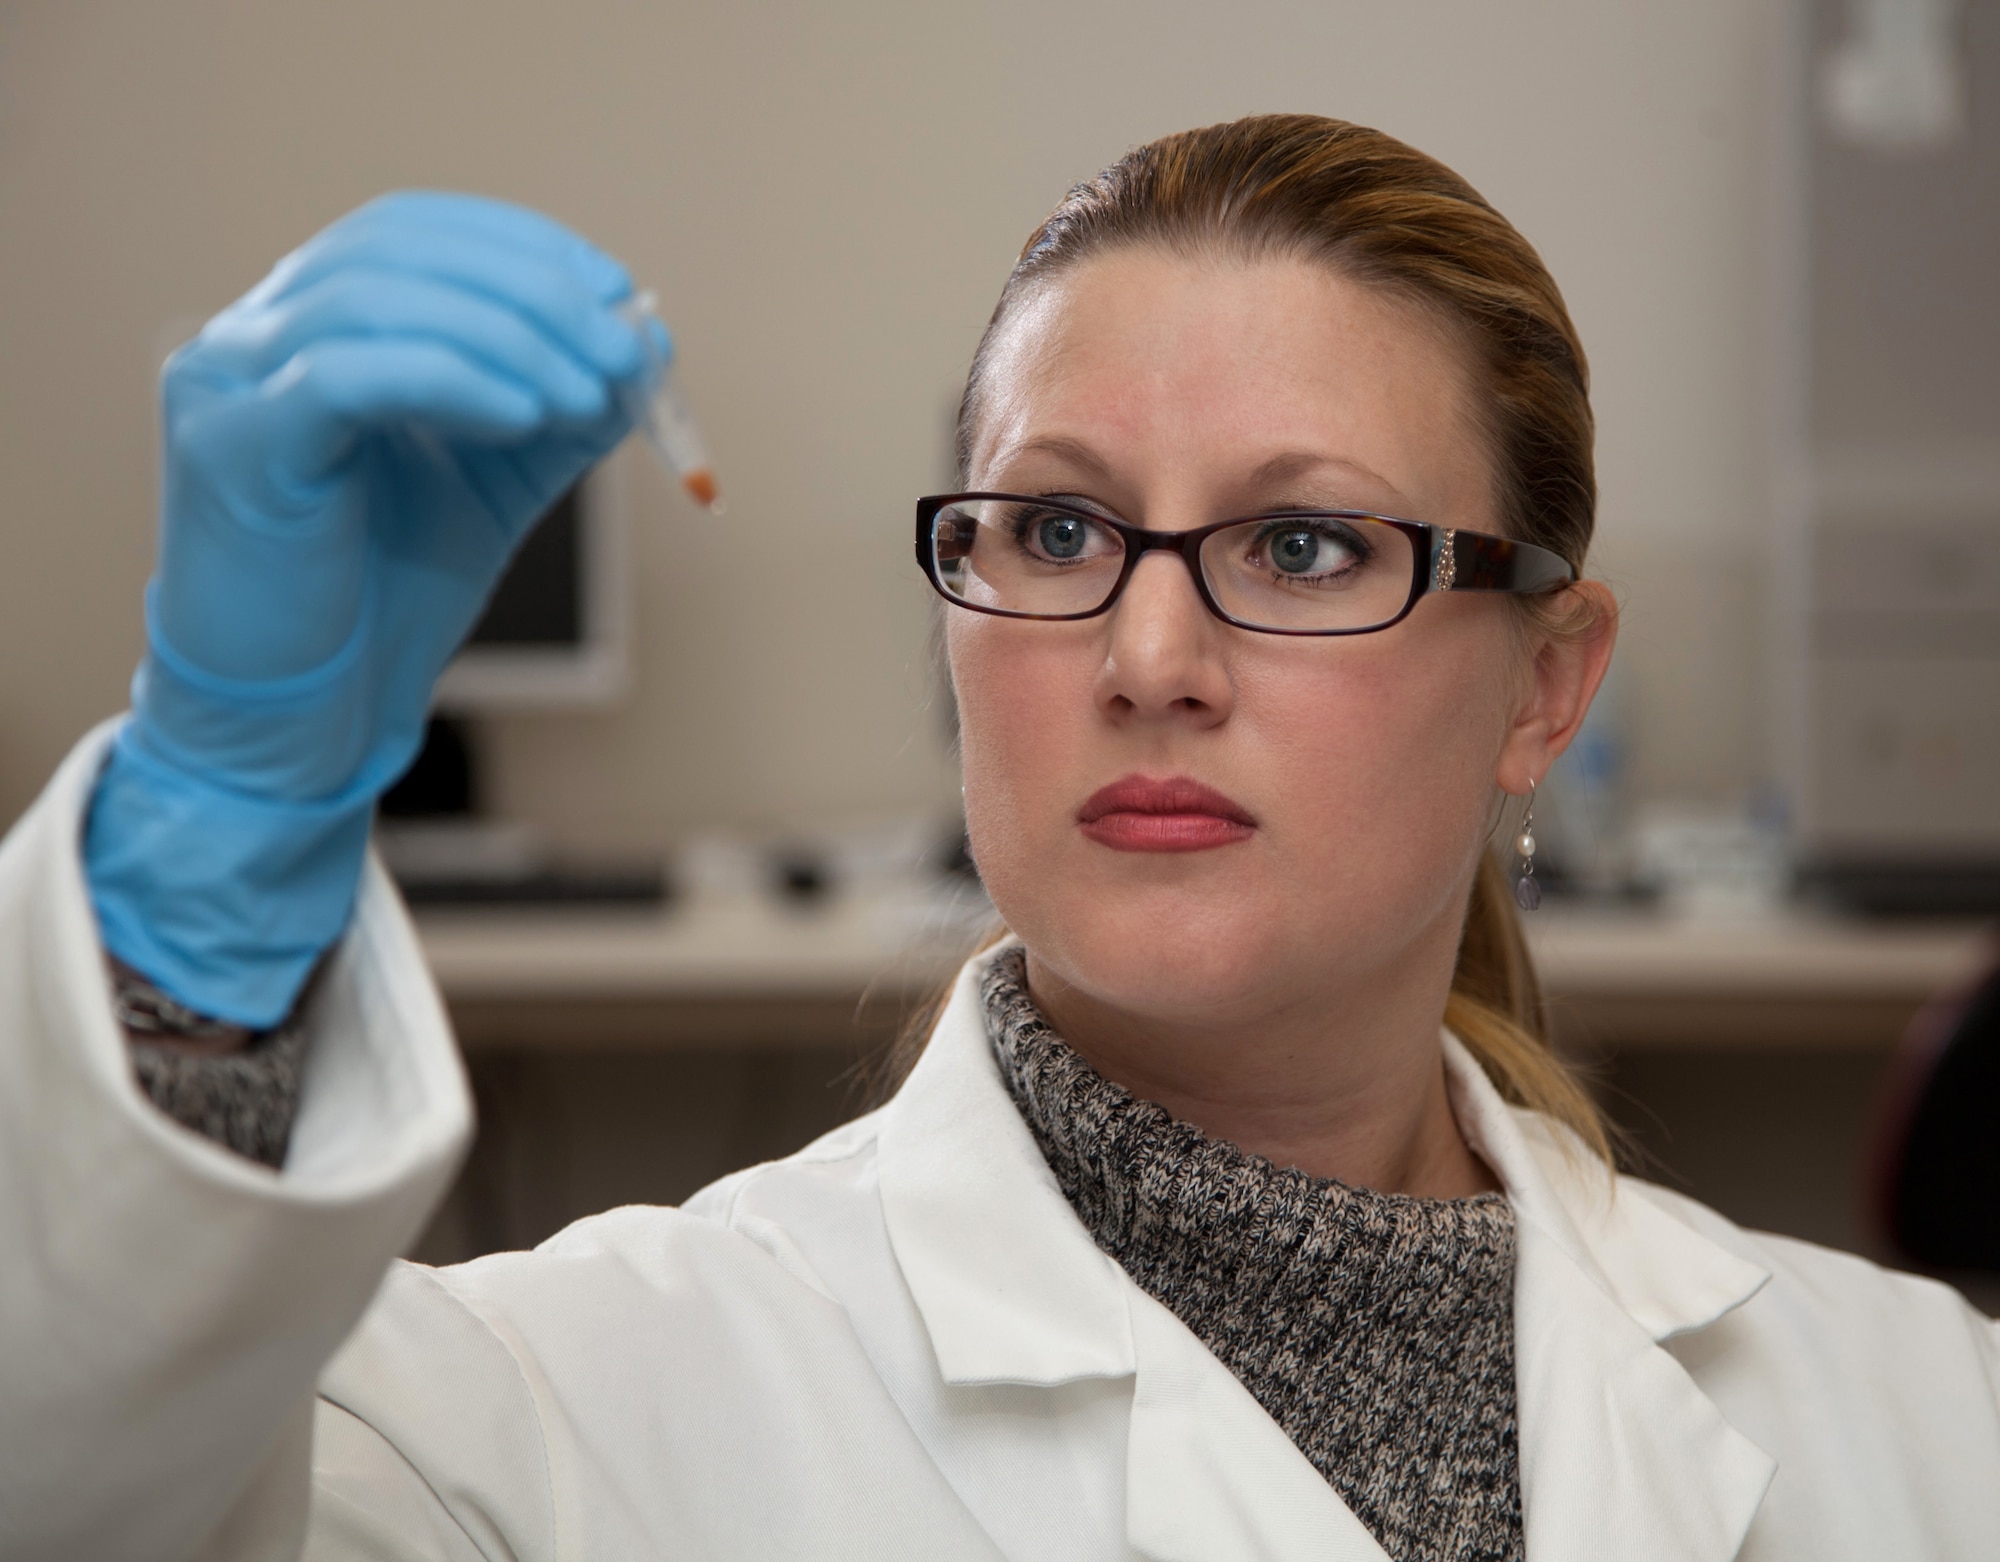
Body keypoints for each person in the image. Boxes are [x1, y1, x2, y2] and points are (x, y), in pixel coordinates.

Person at [1, 115, 1994, 1562]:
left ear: (1543, 689)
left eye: (1301, 544)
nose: (1144, 652)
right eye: (1052, 529)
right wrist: (199, 899)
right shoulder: (526, 1426)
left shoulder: (1925, 1423)